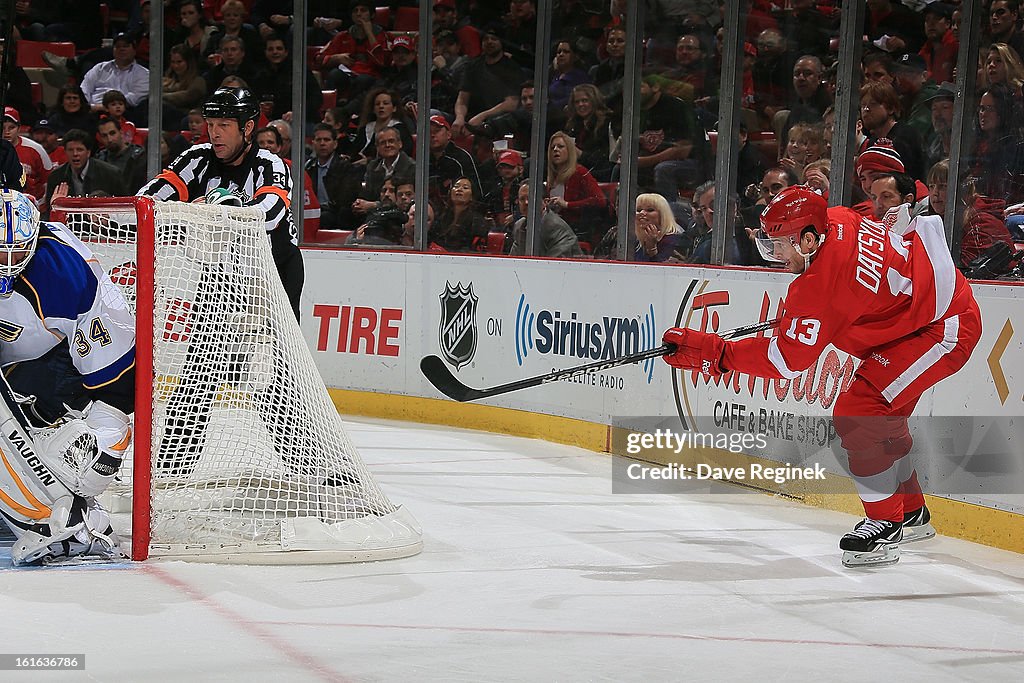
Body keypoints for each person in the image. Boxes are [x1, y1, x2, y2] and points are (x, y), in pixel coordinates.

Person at [662, 186, 982, 567]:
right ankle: (910, 513)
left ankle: (886, 522)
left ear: (808, 238)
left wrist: (715, 354)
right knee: (882, 415)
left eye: (780, 244)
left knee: (859, 409)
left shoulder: (819, 286)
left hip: (943, 327)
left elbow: (785, 361)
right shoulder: (839, 219)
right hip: (920, 317)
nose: (776, 255)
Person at [0, 188, 134, 565]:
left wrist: (101, 446)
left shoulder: (66, 275)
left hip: (45, 366)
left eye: (14, 251)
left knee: (77, 447)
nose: (6, 263)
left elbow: (117, 382)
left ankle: (63, 510)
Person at [138, 87, 303, 319]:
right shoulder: (197, 157)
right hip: (218, 276)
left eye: (224, 125)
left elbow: (270, 214)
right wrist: (187, 212)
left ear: (247, 128)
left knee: (274, 352)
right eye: (211, 124)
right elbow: (147, 199)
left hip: (271, 273)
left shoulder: (270, 164)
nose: (214, 133)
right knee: (201, 353)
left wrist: (212, 213)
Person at [509, 181, 584, 258]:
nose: (526, 202)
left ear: (545, 202)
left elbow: (555, 264)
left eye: (530, 198)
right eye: (522, 199)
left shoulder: (557, 228)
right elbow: (512, 261)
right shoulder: (519, 226)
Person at [633, 192, 688, 262]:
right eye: (638, 210)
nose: (642, 213)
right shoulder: (633, 240)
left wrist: (652, 249)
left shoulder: (676, 240)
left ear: (663, 214)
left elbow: (665, 270)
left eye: (650, 210)